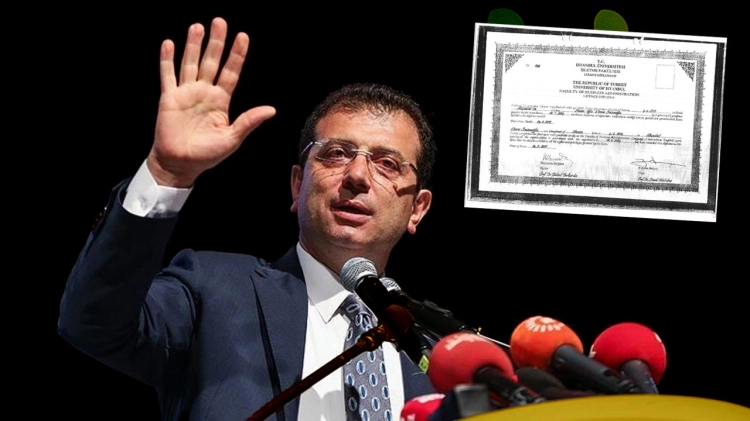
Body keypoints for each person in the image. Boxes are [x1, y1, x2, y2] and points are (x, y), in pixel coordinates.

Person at [58, 17, 436, 421]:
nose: (357, 175)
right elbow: (92, 324)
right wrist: (166, 173)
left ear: (417, 208)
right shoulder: (213, 289)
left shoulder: (442, 355)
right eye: (336, 154)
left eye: (387, 163)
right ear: (297, 185)